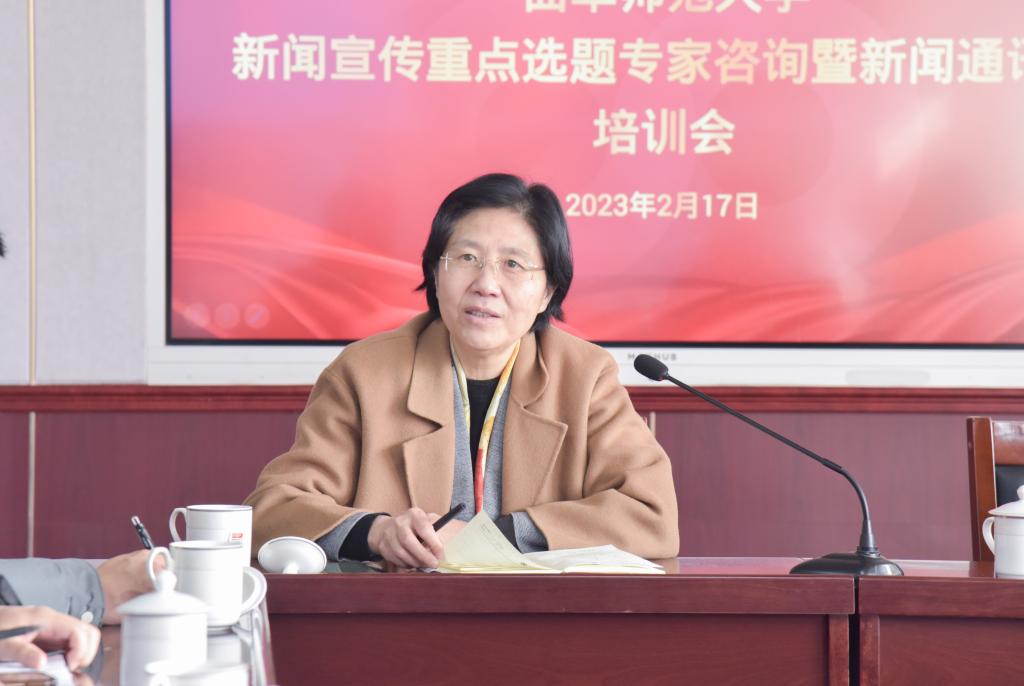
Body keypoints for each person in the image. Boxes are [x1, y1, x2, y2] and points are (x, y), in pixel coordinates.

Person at [245, 173, 679, 569]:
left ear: (548, 291)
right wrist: (377, 532)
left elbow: (651, 515)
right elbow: (274, 508)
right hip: (397, 618)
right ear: (436, 273)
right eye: (467, 258)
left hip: (543, 617)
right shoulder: (364, 373)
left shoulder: (585, 377)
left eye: (513, 265)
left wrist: (502, 536)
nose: (486, 285)